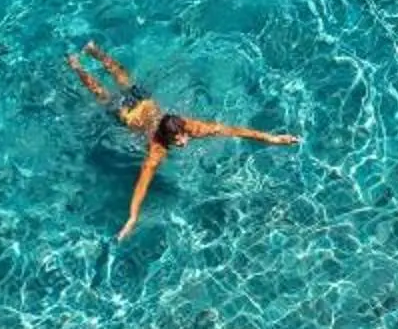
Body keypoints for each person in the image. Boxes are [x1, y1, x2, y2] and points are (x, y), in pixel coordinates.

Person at [68, 42, 298, 238]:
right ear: (165, 137)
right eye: (176, 139)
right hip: (126, 115)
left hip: (143, 102)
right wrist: (133, 216)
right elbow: (143, 183)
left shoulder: (191, 126)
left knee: (122, 78)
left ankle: (93, 51)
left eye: (182, 136)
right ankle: (78, 65)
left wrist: (272, 138)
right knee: (102, 93)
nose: (183, 141)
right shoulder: (157, 149)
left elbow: (233, 130)